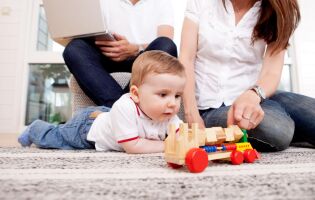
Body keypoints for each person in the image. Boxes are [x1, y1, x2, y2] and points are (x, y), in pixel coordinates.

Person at [180, 0, 315, 152]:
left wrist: (254, 94)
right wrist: (192, 115)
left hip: (258, 95)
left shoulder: (277, 8)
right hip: (210, 107)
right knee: (278, 129)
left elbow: (272, 71)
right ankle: (294, 126)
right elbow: (186, 59)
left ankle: (294, 124)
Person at [18, 51, 186, 154]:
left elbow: (182, 136)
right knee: (55, 139)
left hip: (107, 115)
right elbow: (133, 147)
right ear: (136, 94)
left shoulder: (168, 114)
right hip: (87, 128)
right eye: (163, 94)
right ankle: (35, 129)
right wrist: (167, 145)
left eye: (177, 96)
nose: (172, 103)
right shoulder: (125, 106)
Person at [63, 0, 178, 108]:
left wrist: (136, 48)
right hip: (107, 58)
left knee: (166, 45)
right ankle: (126, 109)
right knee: (74, 48)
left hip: (144, 61)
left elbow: (165, 38)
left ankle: (119, 110)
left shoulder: (162, 3)